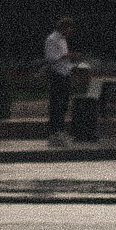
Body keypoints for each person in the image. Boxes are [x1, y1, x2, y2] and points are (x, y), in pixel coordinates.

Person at [38, 15, 76, 144]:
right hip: (57, 74)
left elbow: (64, 59)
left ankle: (60, 130)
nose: (70, 32)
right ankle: (54, 132)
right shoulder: (52, 39)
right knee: (56, 104)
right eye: (69, 29)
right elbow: (50, 58)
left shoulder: (63, 40)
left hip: (65, 73)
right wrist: (65, 56)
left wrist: (71, 65)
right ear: (64, 28)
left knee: (64, 104)